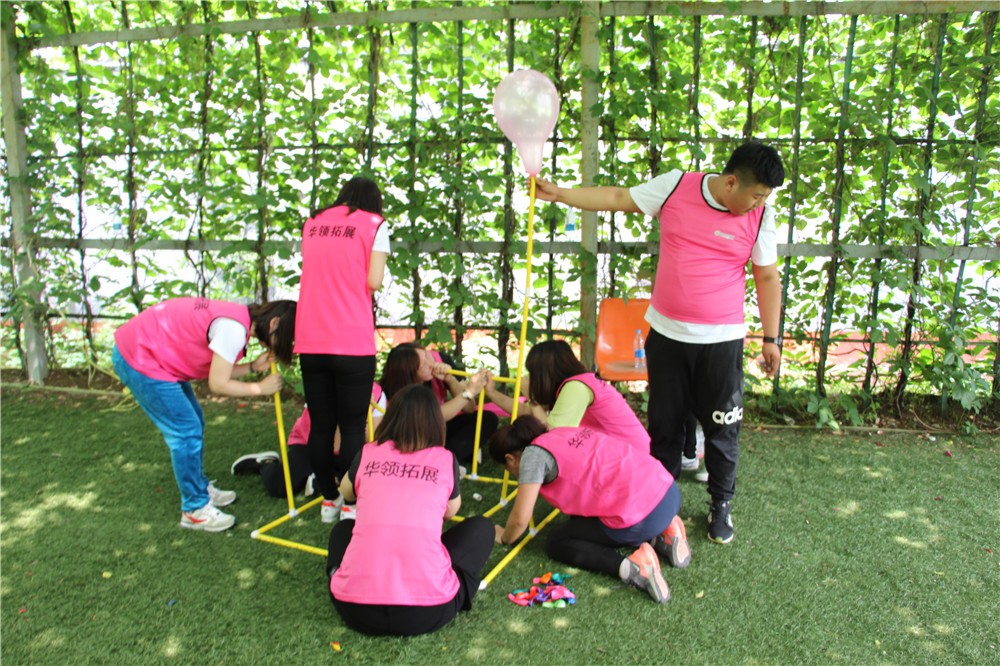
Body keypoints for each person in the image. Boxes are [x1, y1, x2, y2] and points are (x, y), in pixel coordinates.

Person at [535, 140, 785, 544]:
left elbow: (767, 277)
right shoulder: (676, 187)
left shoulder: (761, 217)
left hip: (721, 342)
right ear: (732, 181)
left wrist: (772, 338)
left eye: (764, 198)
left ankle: (720, 504)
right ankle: (659, 501)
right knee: (665, 427)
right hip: (667, 337)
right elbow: (618, 197)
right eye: (755, 195)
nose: (759, 204)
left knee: (723, 429)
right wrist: (561, 193)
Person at [111, 297, 296, 532]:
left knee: (193, 420)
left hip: (154, 353)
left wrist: (252, 368)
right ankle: (194, 509)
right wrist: (260, 388)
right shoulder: (233, 329)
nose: (284, 344)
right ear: (274, 323)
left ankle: (198, 487)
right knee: (185, 431)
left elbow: (219, 368)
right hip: (140, 356)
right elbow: (218, 383)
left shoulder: (238, 320)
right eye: (286, 336)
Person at [326, 385, 494, 636]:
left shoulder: (368, 452)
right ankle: (452, 585)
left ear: (392, 417)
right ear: (436, 422)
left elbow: (348, 493)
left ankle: (340, 576)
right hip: (430, 611)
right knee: (482, 528)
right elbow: (450, 511)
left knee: (342, 529)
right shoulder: (445, 459)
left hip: (356, 610)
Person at [488, 416, 690, 605]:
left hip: (643, 516)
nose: (514, 475)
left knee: (557, 541)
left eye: (509, 470)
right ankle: (666, 531)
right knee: (581, 521)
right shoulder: (561, 432)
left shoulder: (532, 456)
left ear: (511, 459)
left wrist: (504, 537)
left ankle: (633, 567)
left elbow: (520, 521)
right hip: (667, 492)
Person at [295, 175, 390, 524]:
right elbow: (373, 281)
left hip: (310, 337)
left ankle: (328, 499)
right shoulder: (374, 224)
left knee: (321, 425)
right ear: (375, 202)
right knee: (352, 427)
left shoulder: (314, 222)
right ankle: (350, 504)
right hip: (352, 339)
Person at [485, 339, 649, 451]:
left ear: (544, 373)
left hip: (631, 455)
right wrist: (491, 393)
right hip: (620, 451)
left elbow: (555, 435)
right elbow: (527, 413)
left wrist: (532, 399)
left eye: (533, 372)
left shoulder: (576, 387)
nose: (531, 377)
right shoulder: (572, 385)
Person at [230, 384, 386, 499]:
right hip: (310, 441)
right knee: (281, 487)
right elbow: (333, 439)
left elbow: (372, 441)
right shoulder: (323, 386)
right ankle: (265, 464)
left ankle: (318, 479)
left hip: (348, 448)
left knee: (353, 483)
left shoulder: (376, 394)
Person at [379, 343, 493, 465]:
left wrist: (450, 379)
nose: (431, 364)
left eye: (427, 356)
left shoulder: (441, 359)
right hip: (415, 433)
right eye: (423, 365)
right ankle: (445, 460)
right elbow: (429, 418)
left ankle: (449, 459)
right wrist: (469, 392)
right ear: (409, 373)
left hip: (439, 428)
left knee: (486, 418)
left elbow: (469, 408)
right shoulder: (396, 390)